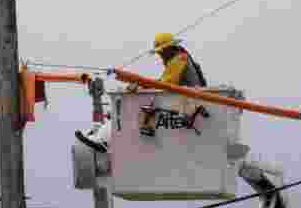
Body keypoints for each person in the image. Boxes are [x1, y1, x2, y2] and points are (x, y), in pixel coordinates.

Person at [75, 33, 208, 153]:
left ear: (169, 49)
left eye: (161, 52)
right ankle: (103, 138)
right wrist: (141, 86)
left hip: (186, 102)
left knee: (127, 108)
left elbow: (164, 85)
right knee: (122, 112)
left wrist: (139, 85)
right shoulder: (179, 59)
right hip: (183, 100)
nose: (160, 56)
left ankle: (104, 140)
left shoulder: (179, 60)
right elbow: (163, 83)